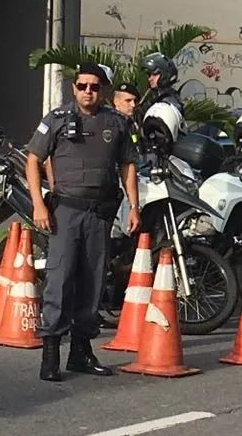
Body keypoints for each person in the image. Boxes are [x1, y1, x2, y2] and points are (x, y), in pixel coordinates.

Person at [25, 63, 140, 382]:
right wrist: (38, 203)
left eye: (94, 86)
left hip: (99, 214)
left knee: (93, 282)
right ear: (74, 88)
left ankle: (81, 351)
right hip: (66, 212)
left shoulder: (116, 122)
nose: (88, 91)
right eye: (82, 86)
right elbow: (33, 160)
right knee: (60, 281)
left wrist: (134, 206)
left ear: (102, 89)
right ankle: (51, 354)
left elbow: (127, 164)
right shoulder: (57, 120)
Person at [137, 52, 183, 120]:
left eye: (155, 74)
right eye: (149, 74)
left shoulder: (169, 101)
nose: (150, 79)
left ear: (165, 75)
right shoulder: (154, 95)